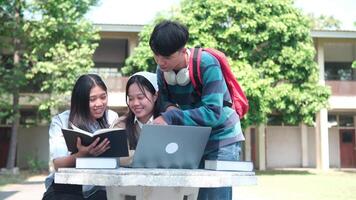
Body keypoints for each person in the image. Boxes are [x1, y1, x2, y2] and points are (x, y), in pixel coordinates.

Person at [149, 20, 245, 200]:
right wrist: (168, 109)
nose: (160, 62)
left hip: (222, 139)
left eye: (167, 57)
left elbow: (213, 112)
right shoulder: (162, 71)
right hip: (193, 139)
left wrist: (171, 117)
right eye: (156, 55)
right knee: (192, 195)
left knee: (216, 196)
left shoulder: (207, 64)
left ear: (183, 50)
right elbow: (165, 101)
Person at [42, 74, 119, 200]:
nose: (99, 103)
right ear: (80, 100)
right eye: (92, 99)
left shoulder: (112, 117)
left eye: (103, 97)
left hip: (98, 187)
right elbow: (58, 164)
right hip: (66, 187)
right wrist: (82, 155)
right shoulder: (61, 121)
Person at [114, 71, 160, 166]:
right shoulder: (120, 124)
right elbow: (117, 155)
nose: (135, 103)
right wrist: (157, 157)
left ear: (155, 96)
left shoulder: (166, 123)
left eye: (140, 97)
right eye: (131, 98)